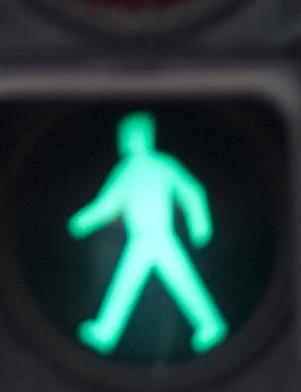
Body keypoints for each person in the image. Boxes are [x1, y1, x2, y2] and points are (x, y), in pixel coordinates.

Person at [67, 112, 229, 354]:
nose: (126, 140)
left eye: (130, 135)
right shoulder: (125, 171)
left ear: (143, 136)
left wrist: (200, 226)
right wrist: (83, 221)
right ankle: (105, 332)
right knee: (129, 283)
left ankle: (210, 325)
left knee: (181, 281)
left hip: (161, 236)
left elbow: (192, 191)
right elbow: (108, 205)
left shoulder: (163, 165)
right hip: (140, 239)